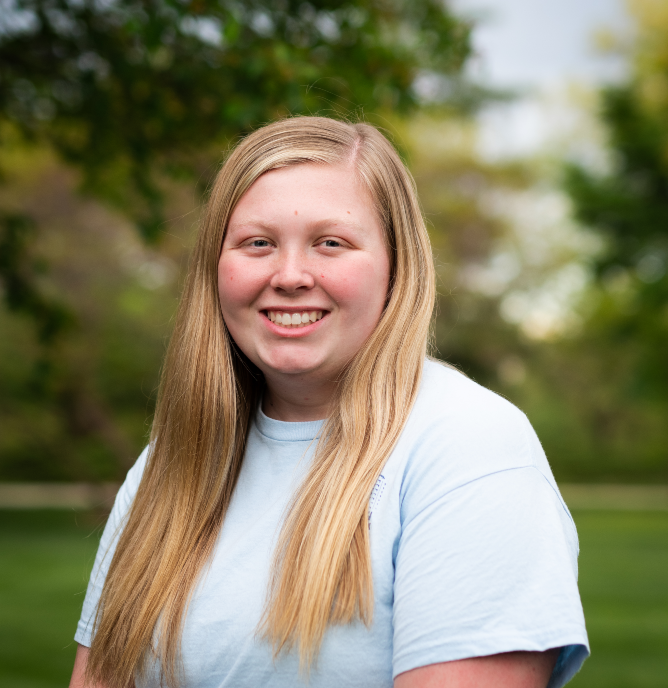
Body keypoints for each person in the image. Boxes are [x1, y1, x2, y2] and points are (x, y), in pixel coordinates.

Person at [70, 117, 589, 688]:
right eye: (258, 243)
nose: (290, 276)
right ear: (216, 269)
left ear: (396, 267)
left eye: (331, 243)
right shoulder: (169, 460)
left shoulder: (468, 444)